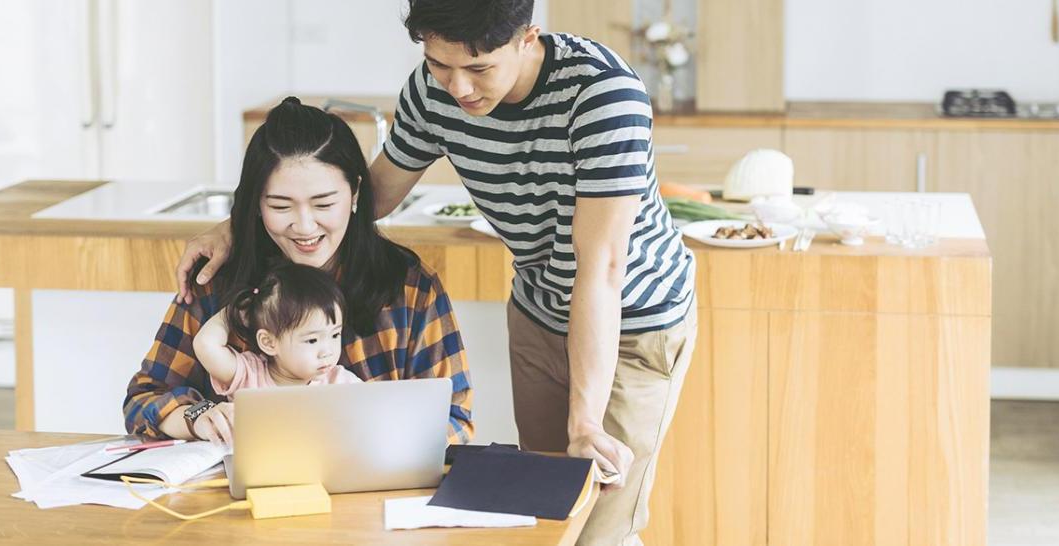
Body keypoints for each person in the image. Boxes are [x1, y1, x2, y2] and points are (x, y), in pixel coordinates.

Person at [176, 2, 697, 542]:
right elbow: (367, 196)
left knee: (599, 527)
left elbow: (601, 270)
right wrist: (243, 225)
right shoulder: (434, 90)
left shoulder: (603, 96)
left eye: (478, 69)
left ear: (527, 38)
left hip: (633, 317)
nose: (459, 88)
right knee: (548, 518)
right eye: (440, 63)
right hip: (539, 309)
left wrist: (585, 421)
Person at [126, 97, 473, 448]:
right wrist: (196, 417)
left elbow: (454, 420)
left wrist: (377, 444)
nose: (305, 227)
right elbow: (143, 401)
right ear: (257, 204)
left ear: (354, 192)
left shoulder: (409, 286)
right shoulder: (217, 280)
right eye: (280, 206)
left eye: (324, 204)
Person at [193, 263, 362, 402]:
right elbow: (205, 345)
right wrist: (235, 310)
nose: (328, 352)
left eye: (335, 335)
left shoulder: (340, 383)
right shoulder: (249, 375)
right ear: (268, 342)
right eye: (312, 340)